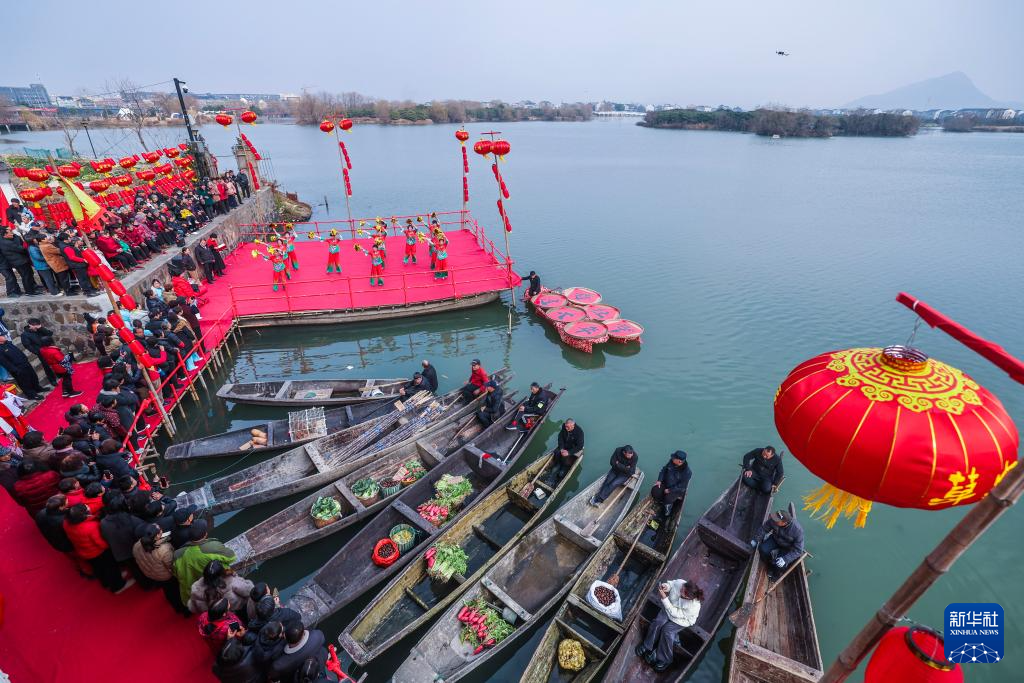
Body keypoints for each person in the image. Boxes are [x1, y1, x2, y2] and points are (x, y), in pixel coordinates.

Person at [635, 580, 703, 673]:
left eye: (682, 591)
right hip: (668, 609)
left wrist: (664, 598)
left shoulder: (694, 606)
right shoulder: (681, 583)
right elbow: (672, 584)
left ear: (687, 597)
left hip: (681, 619)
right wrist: (666, 586)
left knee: (667, 631)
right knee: (658, 622)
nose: (680, 589)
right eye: (682, 588)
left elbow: (675, 613)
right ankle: (647, 645)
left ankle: (665, 659)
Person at [64, 503, 129, 592]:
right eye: (86, 508)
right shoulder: (90, 527)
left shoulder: (66, 524)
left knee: (99, 569)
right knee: (111, 567)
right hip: (99, 552)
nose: (88, 507)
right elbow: (101, 543)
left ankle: (106, 583)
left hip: (85, 551)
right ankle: (118, 586)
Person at [172, 518, 237, 604]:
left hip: (189, 595)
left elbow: (175, 573)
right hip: (209, 593)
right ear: (205, 534)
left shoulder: (177, 554)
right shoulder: (213, 546)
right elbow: (232, 557)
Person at [133, 523, 191, 614]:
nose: (161, 530)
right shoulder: (164, 549)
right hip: (165, 575)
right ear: (157, 536)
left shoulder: (137, 545)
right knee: (175, 591)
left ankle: (173, 603)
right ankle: (183, 609)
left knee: (167, 589)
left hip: (152, 573)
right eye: (160, 530)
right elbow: (172, 566)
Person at [750, 509, 805, 580]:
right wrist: (756, 539)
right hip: (775, 539)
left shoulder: (798, 531)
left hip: (787, 547)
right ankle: (769, 562)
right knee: (762, 550)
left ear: (784, 523)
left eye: (777, 520)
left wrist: (785, 559)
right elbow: (764, 529)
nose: (774, 520)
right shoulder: (774, 520)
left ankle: (775, 576)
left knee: (780, 565)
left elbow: (798, 550)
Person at [188, 559, 255, 614]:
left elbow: (192, 608)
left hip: (215, 617)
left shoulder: (196, 588)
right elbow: (250, 590)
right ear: (222, 572)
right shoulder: (232, 582)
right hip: (237, 611)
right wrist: (237, 577)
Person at [0, 333, 44, 399]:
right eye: (1, 336)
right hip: (17, 368)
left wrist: (25, 359)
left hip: (24, 363)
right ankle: (32, 395)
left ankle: (37, 388)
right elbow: (4, 362)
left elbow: (18, 351)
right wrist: (14, 370)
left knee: (33, 376)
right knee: (25, 382)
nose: (4, 336)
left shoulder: (8, 343)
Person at [651, 451, 692, 519]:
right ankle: (661, 502)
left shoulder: (687, 472)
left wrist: (670, 490)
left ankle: (667, 511)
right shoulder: (671, 462)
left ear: (679, 461)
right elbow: (663, 470)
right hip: (666, 483)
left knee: (668, 499)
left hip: (676, 490)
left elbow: (682, 486)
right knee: (655, 490)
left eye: (674, 458)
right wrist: (659, 480)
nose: (672, 458)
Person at [0, 226, 39, 295]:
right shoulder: (7, 242)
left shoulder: (6, 240)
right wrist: (26, 248)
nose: (12, 233)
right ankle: (29, 291)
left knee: (28, 275)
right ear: (5, 235)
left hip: (19, 261)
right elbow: (21, 249)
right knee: (25, 276)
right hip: (19, 262)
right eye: (10, 232)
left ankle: (31, 289)